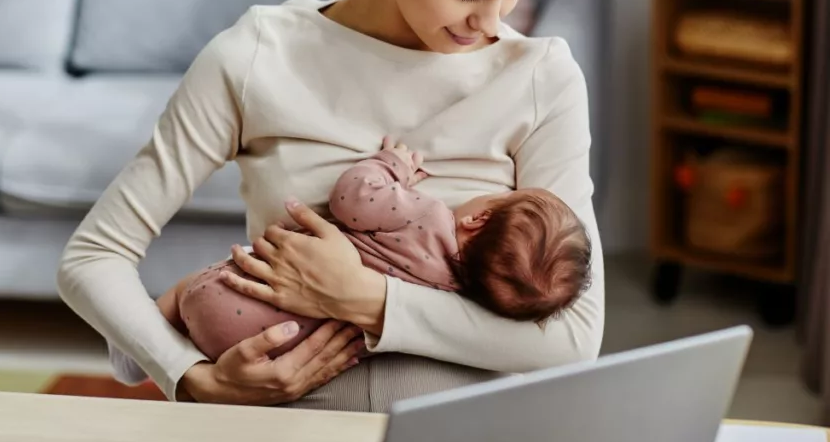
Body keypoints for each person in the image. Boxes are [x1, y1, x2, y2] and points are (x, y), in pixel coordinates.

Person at [57, 0, 605, 412]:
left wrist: (367, 299)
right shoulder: (259, 55)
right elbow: (94, 255)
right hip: (288, 418)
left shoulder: (541, 78)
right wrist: (190, 378)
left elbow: (572, 337)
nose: (493, 22)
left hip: (457, 427)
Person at [107, 137, 592, 373]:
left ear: (478, 220)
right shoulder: (454, 296)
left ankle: (142, 345)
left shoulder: (427, 215)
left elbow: (352, 199)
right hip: (277, 345)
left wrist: (391, 166)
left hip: (233, 291)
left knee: (188, 291)